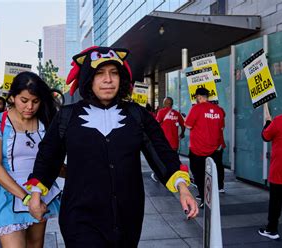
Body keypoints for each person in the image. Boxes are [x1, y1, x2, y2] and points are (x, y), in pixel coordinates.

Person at [26, 46, 198, 247]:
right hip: (80, 218)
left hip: (127, 218)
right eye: (99, 73)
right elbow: (48, 156)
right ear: (88, 78)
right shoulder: (66, 116)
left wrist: (183, 188)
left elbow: (161, 153)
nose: (108, 79)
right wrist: (36, 194)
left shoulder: (137, 115)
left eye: (114, 73)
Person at [0, 71, 61, 248]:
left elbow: (51, 162)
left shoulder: (46, 121)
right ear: (13, 97)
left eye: (35, 101)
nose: (30, 106)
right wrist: (27, 199)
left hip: (39, 190)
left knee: (35, 246)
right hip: (6, 193)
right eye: (24, 100)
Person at [185, 87, 226, 208]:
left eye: (196, 97)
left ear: (198, 97)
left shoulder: (196, 108)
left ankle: (204, 198)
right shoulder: (219, 110)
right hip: (214, 149)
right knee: (212, 174)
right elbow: (222, 128)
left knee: (198, 175)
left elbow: (188, 125)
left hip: (198, 149)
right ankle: (213, 194)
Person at [258, 112, 282, 240]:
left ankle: (272, 229)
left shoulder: (280, 120)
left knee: (276, 202)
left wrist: (268, 122)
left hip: (280, 171)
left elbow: (265, 136)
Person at [150, 97, 185, 183]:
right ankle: (176, 176)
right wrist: (182, 134)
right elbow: (183, 126)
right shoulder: (177, 113)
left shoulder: (161, 112)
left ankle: (159, 175)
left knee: (161, 158)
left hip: (164, 142)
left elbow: (156, 125)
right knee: (174, 158)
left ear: (165, 103)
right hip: (174, 142)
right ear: (172, 104)